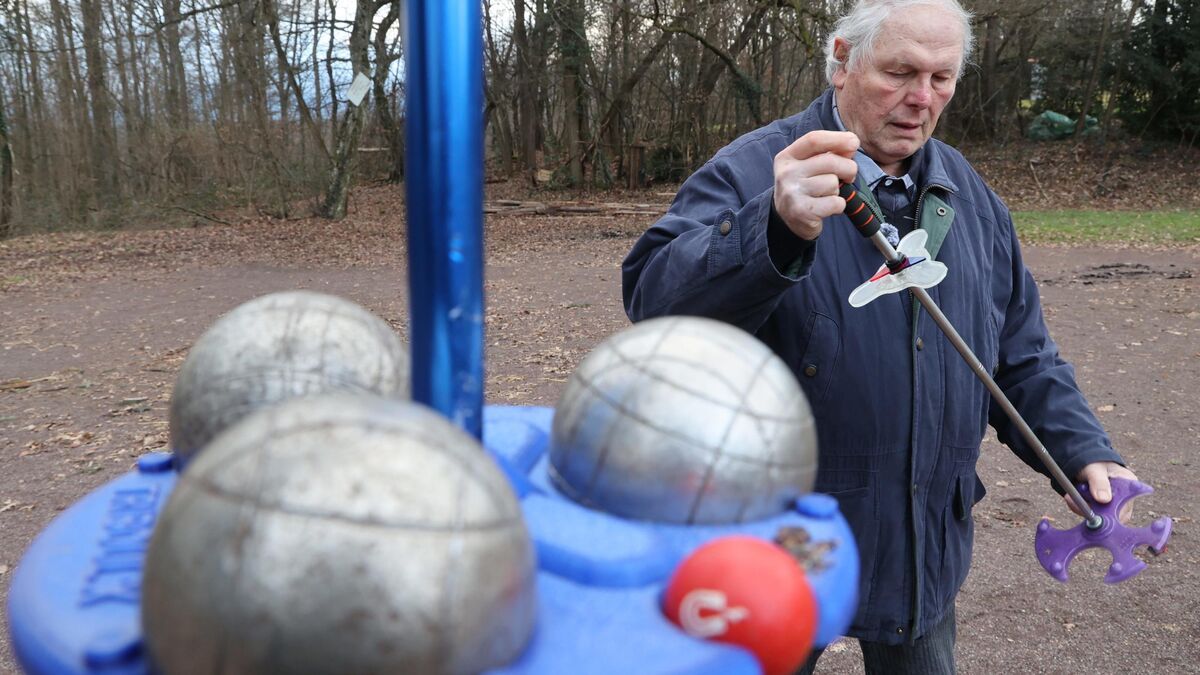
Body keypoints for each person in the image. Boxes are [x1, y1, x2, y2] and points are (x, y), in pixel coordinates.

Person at [622, 0, 1139, 672]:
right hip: (778, 542)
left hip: (922, 540)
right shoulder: (757, 170)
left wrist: (1081, 450)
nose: (921, 99)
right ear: (841, 62)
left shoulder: (971, 200)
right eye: (899, 72)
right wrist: (772, 229)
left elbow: (1020, 350)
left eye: (942, 79)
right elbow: (654, 300)